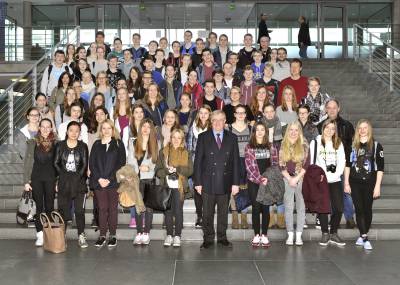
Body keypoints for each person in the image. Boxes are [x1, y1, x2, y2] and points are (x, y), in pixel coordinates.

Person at [193, 110, 240, 249]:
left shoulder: (232, 138)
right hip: (207, 181)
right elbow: (198, 162)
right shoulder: (203, 137)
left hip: (225, 181)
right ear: (211, 121)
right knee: (207, 213)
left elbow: (236, 162)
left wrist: (236, 183)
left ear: (225, 121)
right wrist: (198, 182)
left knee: (223, 213)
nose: (218, 122)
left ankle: (222, 237)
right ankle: (207, 238)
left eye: (221, 120)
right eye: (215, 120)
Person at [344, 119, 384, 250]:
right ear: (357, 130)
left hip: (370, 183)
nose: (362, 130)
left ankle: (362, 235)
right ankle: (365, 237)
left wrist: (377, 186)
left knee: (367, 209)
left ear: (369, 129)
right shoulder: (352, 146)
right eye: (360, 128)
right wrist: (346, 183)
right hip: (354, 182)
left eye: (365, 127)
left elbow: (380, 168)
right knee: (359, 209)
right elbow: (348, 166)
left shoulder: (376, 146)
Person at [318, 98, 356, 229]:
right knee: (330, 195)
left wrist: (349, 164)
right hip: (327, 167)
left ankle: (350, 217)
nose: (332, 110)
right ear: (326, 109)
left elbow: (352, 146)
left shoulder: (347, 125)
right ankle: (334, 219)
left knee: (345, 193)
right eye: (329, 107)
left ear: (338, 109)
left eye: (334, 107)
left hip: (343, 166)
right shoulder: (320, 126)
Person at [309, 119, 346, 246]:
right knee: (323, 208)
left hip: (335, 179)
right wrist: (320, 176)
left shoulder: (338, 143)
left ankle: (334, 232)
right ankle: (325, 233)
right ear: (323, 128)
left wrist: (336, 175)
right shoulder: (315, 142)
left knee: (339, 207)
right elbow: (312, 162)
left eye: (332, 128)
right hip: (321, 180)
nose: (330, 130)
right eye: (327, 127)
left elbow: (342, 161)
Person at [89, 120, 126, 248]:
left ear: (112, 129)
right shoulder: (96, 144)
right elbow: (92, 163)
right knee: (102, 209)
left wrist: (109, 179)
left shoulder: (118, 144)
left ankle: (113, 235)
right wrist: (99, 179)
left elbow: (121, 163)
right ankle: (102, 235)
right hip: (98, 182)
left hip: (113, 182)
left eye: (108, 128)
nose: (106, 130)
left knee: (113, 209)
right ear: (101, 130)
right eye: (103, 128)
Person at [156, 128, 193, 247]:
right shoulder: (163, 152)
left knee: (178, 212)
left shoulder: (186, 152)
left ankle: (177, 236)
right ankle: (169, 235)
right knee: (167, 212)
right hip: (166, 186)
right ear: (170, 138)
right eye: (174, 137)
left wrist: (177, 169)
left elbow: (190, 171)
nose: (176, 140)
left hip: (179, 187)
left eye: (179, 138)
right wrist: (167, 171)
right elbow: (157, 171)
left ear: (182, 139)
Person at [54, 121, 89, 248]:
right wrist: (63, 176)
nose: (74, 133)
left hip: (79, 182)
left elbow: (84, 164)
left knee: (79, 211)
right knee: (63, 210)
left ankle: (81, 235)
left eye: (76, 131)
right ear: (67, 131)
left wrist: (76, 177)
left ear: (79, 133)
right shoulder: (59, 145)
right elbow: (56, 163)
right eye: (71, 130)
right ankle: (62, 236)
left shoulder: (83, 146)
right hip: (64, 181)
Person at [23, 118, 57, 247]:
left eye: (48, 127)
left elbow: (59, 164)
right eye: (43, 126)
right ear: (39, 127)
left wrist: (58, 181)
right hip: (36, 178)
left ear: (51, 128)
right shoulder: (32, 142)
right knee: (39, 208)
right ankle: (40, 235)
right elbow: (27, 163)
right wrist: (26, 181)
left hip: (50, 178)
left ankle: (49, 234)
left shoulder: (56, 143)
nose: (45, 129)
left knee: (49, 207)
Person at [245, 122, 276, 247]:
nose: (259, 132)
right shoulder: (249, 147)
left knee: (266, 209)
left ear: (265, 132)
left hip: (267, 182)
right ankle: (256, 235)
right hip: (254, 182)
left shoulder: (271, 147)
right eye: (257, 130)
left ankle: (264, 235)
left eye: (262, 129)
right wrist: (259, 179)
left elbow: (275, 165)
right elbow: (248, 166)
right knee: (256, 208)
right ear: (254, 132)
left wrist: (267, 178)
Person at [129, 119, 159, 245]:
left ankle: (146, 233)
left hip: (149, 178)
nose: (146, 129)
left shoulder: (156, 143)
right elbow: (130, 160)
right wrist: (133, 173)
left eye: (148, 126)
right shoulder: (133, 141)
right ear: (140, 128)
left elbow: (159, 162)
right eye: (144, 126)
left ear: (152, 129)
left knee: (149, 208)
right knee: (138, 207)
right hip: (136, 179)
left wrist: (150, 168)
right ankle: (139, 232)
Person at [279, 121, 309, 246]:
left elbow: (307, 164)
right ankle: (290, 234)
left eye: (296, 130)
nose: (293, 132)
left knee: (301, 207)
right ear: (287, 131)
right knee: (289, 207)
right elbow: (280, 164)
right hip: (286, 178)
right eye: (291, 129)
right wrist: (289, 179)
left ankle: (299, 235)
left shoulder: (304, 145)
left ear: (299, 132)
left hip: (301, 178)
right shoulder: (282, 145)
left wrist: (296, 178)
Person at [187, 105, 212, 228]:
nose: (203, 115)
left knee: (207, 191)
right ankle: (200, 216)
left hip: (209, 164)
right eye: (201, 112)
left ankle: (207, 216)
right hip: (196, 162)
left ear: (209, 115)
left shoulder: (212, 127)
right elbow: (189, 147)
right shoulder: (193, 128)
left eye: (206, 113)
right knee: (198, 190)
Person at [228, 105, 252, 230]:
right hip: (234, 161)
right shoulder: (229, 128)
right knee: (234, 188)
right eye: (238, 112)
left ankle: (244, 217)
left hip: (248, 161)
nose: (241, 115)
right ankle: (235, 216)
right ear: (235, 114)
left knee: (246, 189)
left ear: (246, 114)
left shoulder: (251, 128)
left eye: (243, 112)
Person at [126, 104, 145, 228]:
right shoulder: (128, 129)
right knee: (133, 191)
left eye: (141, 112)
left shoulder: (148, 127)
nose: (139, 114)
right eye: (136, 112)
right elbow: (126, 148)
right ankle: (133, 217)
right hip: (132, 163)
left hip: (145, 163)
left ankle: (142, 216)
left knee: (143, 192)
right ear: (133, 114)